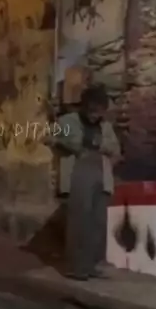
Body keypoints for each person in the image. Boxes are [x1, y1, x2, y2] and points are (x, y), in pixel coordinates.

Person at [50, 84, 121, 281]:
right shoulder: (67, 121)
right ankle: (76, 267)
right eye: (91, 111)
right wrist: (73, 144)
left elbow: (116, 150)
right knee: (79, 220)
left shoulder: (106, 127)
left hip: (101, 172)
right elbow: (49, 137)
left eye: (99, 112)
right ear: (84, 106)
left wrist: (104, 149)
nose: (94, 116)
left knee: (98, 222)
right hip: (79, 171)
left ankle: (92, 265)